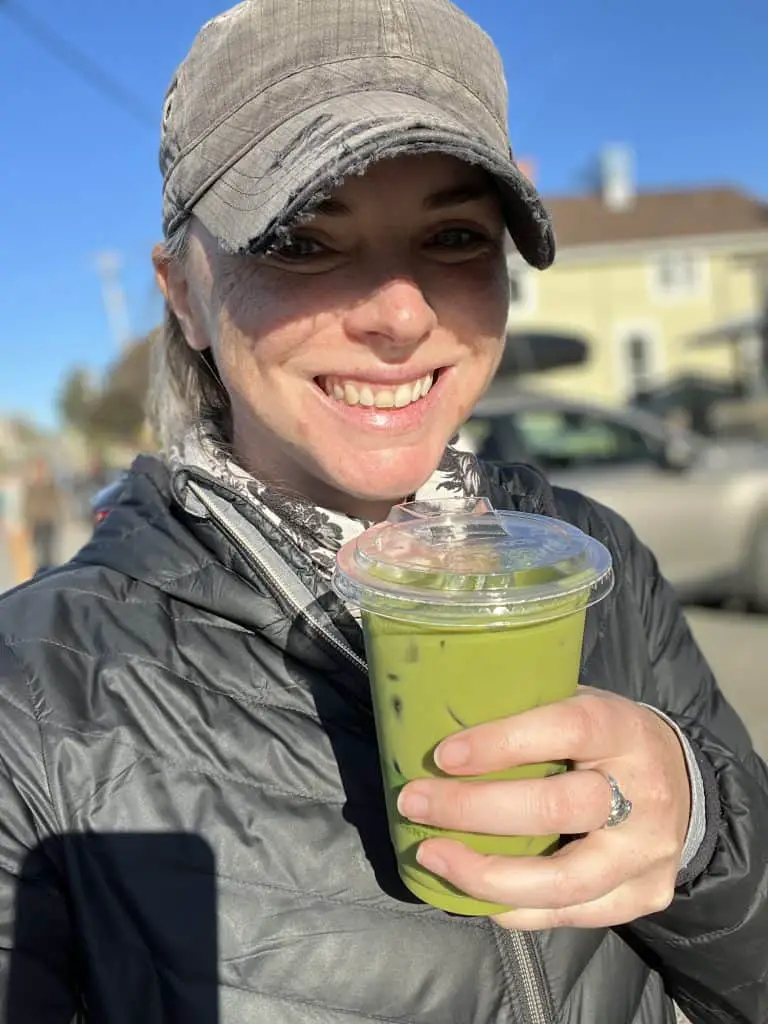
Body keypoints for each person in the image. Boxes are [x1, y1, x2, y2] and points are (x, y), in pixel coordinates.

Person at [0, 2, 765, 1022]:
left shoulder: (595, 556)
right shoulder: (32, 694)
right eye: (303, 242)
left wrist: (702, 823)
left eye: (453, 235)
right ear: (181, 289)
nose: (402, 314)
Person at [20, 457, 62, 572]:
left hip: (48, 521)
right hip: (36, 522)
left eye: (41, 468)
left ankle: (50, 572)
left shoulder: (50, 485)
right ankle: (40, 573)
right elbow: (27, 505)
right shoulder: (31, 486)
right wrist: (27, 521)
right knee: (37, 550)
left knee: (48, 550)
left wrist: (59, 518)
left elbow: (57, 502)